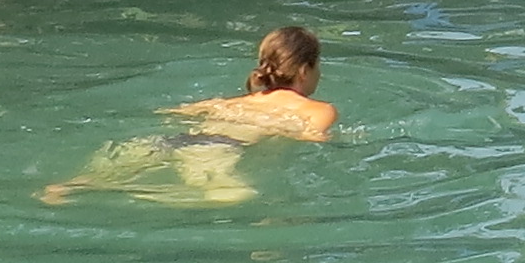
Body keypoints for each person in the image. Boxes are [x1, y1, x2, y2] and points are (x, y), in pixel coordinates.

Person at [41, 28, 335, 205]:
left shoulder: (232, 102)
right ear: (304, 70)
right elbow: (313, 139)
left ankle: (69, 188)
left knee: (98, 178)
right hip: (217, 149)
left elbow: (178, 112)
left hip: (175, 139)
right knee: (233, 196)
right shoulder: (319, 109)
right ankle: (147, 197)